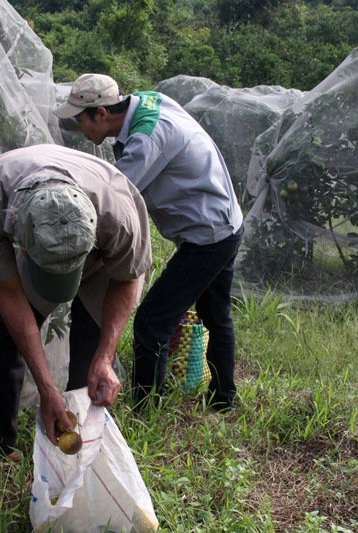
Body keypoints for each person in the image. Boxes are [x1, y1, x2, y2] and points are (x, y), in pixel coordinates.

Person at [54, 73, 244, 411]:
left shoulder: (147, 139)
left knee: (152, 321)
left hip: (208, 235)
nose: (78, 128)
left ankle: (147, 409)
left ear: (101, 113)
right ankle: (224, 400)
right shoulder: (144, 103)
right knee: (215, 313)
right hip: (223, 221)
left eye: (80, 120)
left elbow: (112, 198)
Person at [0, 143, 151, 455]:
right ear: (19, 233)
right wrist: (46, 387)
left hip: (103, 253)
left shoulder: (119, 214)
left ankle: (84, 452)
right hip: (42, 242)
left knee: (91, 359)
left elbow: (125, 278)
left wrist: (105, 357)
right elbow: (10, 292)